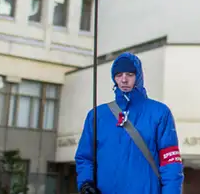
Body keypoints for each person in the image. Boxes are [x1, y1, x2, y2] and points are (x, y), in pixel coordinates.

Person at [75, 52, 184, 194]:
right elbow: (85, 157)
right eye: (119, 75)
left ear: (138, 76)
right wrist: (85, 183)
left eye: (129, 75)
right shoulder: (97, 116)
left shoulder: (160, 113)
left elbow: (171, 164)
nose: (124, 80)